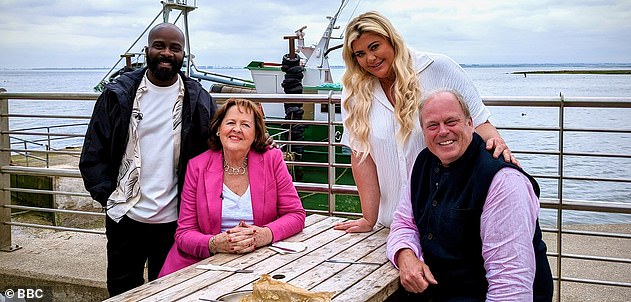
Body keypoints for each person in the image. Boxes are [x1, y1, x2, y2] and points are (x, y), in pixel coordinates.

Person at [334, 11, 518, 233]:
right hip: (391, 225)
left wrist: (497, 144)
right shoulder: (355, 90)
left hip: (448, 222)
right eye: (360, 54)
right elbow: (361, 156)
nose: (370, 59)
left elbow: (478, 122)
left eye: (375, 47)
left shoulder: (437, 67)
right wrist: (368, 218)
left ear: (391, 40)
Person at [79, 23, 215, 296]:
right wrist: (110, 198)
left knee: (170, 293)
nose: (166, 53)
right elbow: (93, 154)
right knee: (121, 292)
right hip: (125, 217)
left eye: (175, 48)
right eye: (159, 46)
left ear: (183, 55)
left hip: (175, 221)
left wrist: (263, 144)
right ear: (147, 50)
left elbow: (220, 141)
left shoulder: (198, 99)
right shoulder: (117, 96)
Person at [386, 90, 553, 301]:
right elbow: (403, 223)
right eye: (432, 125)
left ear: (470, 123)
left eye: (451, 121)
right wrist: (405, 255)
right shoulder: (423, 162)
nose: (443, 131)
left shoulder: (503, 181)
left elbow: (510, 284)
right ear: (423, 130)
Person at [158, 98, 306, 277]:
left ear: (256, 134)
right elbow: (184, 234)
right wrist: (214, 243)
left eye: (245, 124)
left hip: (261, 260)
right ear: (219, 129)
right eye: (230, 123)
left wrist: (265, 235)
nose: (237, 129)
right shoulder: (197, 167)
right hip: (204, 266)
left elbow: (296, 215)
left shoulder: (272, 160)